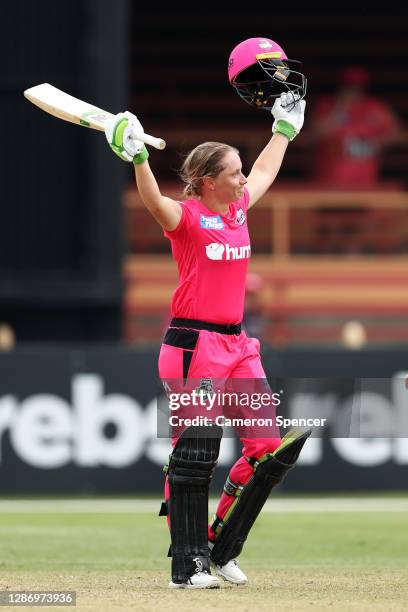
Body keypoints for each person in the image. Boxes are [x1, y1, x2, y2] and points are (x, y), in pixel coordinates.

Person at [104, 57, 309, 590]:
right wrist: (137, 158)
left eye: (242, 170)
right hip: (193, 345)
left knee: (270, 447)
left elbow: (266, 169)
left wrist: (283, 129)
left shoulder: (238, 208)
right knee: (196, 453)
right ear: (205, 181)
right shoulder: (188, 217)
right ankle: (187, 564)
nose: (244, 178)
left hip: (238, 346)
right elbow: (154, 205)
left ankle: (221, 548)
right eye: (233, 171)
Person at [308, 65, 400, 187]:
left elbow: (395, 131)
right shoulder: (327, 106)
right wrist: (339, 109)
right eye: (348, 86)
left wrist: (377, 143)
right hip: (330, 176)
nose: (353, 91)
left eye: (357, 86)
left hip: (366, 176)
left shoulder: (375, 107)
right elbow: (316, 133)